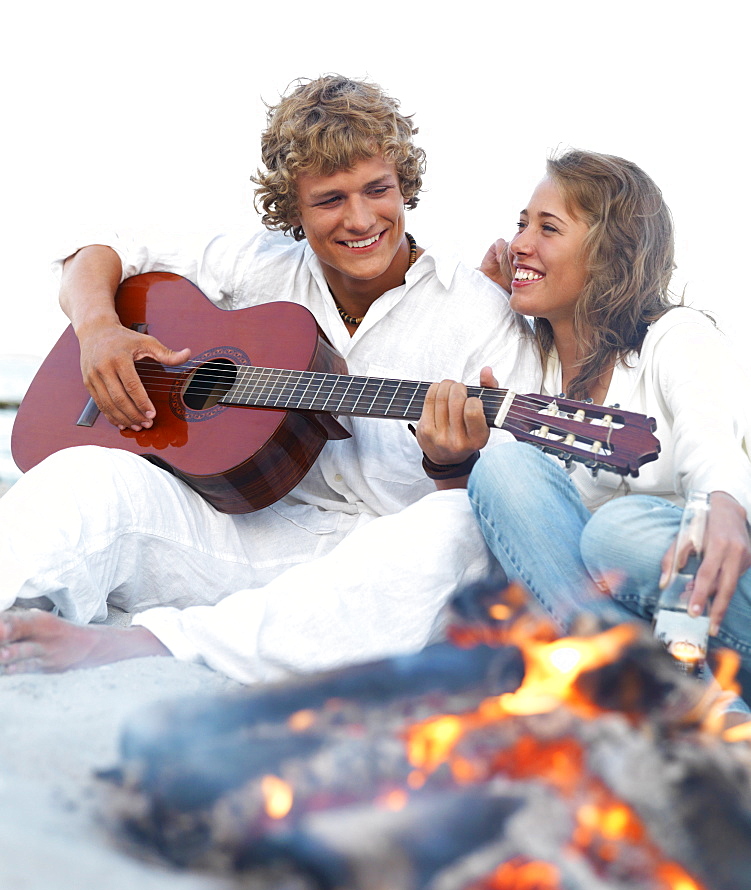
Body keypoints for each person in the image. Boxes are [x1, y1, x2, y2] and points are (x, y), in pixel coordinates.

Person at [0, 75, 538, 681]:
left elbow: (512, 494)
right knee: (85, 473)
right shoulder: (256, 267)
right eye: (330, 200)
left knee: (458, 526)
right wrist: (99, 331)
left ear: (403, 184)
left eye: (377, 190)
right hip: (241, 533)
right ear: (293, 208)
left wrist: (451, 465)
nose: (361, 219)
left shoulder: (478, 313)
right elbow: (101, 248)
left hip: (369, 575)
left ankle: (154, 644)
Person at [468, 149, 751, 693]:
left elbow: (709, 438)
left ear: (608, 256)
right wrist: (478, 307)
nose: (520, 243)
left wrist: (726, 502)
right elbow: (521, 532)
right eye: (522, 223)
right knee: (504, 468)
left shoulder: (675, 337)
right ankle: (670, 704)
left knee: (618, 534)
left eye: (548, 228)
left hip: (716, 588)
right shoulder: (528, 374)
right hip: (654, 638)